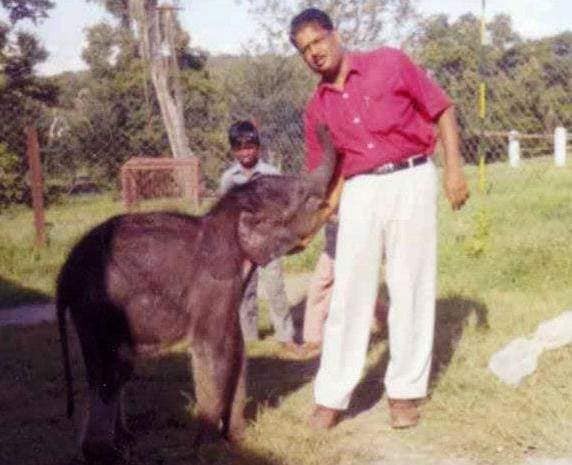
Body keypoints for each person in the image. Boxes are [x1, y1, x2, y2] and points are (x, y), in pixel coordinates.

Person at [289, 8, 470, 430]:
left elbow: (441, 109)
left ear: (335, 35)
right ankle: (332, 395)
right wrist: (309, 224)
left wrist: (454, 170)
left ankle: (404, 394)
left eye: (318, 41)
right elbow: (324, 175)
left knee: (411, 285)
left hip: (412, 178)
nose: (314, 53)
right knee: (350, 291)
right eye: (304, 50)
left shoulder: (390, 62)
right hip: (360, 191)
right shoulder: (316, 107)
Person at [219, 120, 302, 355]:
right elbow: (225, 213)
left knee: (275, 288)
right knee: (245, 290)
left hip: (268, 244)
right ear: (233, 150)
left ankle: (285, 336)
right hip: (242, 245)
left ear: (258, 147)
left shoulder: (271, 174)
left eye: (250, 146)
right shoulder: (229, 178)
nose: (246, 152)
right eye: (240, 148)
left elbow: (284, 207)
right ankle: (249, 336)